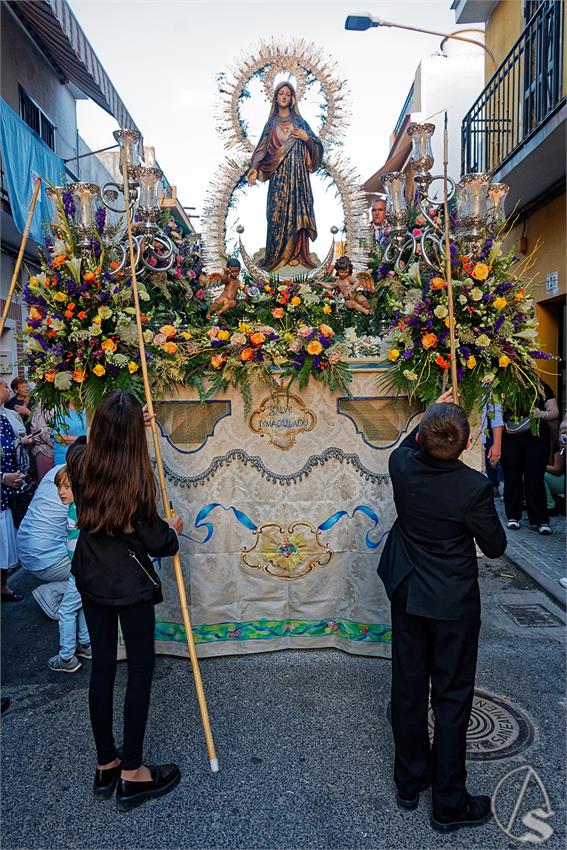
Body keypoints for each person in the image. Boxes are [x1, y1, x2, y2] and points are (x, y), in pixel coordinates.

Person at [378, 391, 506, 833]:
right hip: (451, 602)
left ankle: (409, 782)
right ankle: (448, 801)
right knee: (451, 697)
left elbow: (409, 446)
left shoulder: (402, 466)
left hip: (409, 591)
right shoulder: (474, 487)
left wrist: (432, 414)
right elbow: (495, 547)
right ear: (467, 444)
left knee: (408, 686)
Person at [68, 390, 183, 811]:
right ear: (136, 435)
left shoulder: (79, 462)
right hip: (128, 584)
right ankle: (132, 771)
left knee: (102, 666)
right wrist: (172, 528)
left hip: (92, 576)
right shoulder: (136, 479)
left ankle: (106, 763)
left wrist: (124, 423)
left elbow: (80, 444)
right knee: (139, 669)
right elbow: (160, 542)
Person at [248, 81, 323, 271]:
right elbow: (261, 149)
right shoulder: (271, 124)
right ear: (275, 97)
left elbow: (317, 145)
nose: (284, 96)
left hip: (298, 176)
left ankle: (298, 254)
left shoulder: (300, 122)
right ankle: (275, 256)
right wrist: (255, 168)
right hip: (279, 178)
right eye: (281, 93)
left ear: (292, 99)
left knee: (298, 210)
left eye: (288, 94)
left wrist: (307, 139)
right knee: (276, 214)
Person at [47, 465, 91, 673]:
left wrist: (75, 570)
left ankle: (66, 657)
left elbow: (76, 547)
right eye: (58, 487)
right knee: (79, 606)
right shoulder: (80, 508)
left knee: (66, 610)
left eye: (66, 487)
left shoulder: (76, 512)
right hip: (86, 571)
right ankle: (86, 643)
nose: (61, 492)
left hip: (80, 571)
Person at [501, 381, 559, 534]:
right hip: (511, 437)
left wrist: (542, 414)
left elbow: (555, 411)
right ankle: (513, 516)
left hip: (536, 438)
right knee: (512, 476)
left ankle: (541, 520)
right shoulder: (504, 383)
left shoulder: (541, 386)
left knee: (535, 477)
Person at [16, 462, 71, 619]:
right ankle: (53, 592)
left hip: (24, 549)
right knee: (101, 570)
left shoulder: (56, 470)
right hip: (47, 560)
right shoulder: (78, 481)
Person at [1, 378, 27, 602]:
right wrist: (3, 477)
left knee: (5, 541)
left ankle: (3, 585)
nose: (5, 388)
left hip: (7, 492)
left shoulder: (4, 416)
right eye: (2, 385)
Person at [50, 401, 86, 467]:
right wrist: (83, 439)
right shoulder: (60, 413)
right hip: (65, 457)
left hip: (85, 455)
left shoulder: (88, 411)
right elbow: (59, 437)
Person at [544, 412, 566, 514]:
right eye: (561, 431)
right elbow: (557, 469)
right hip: (562, 480)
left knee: (538, 473)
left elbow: (557, 470)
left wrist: (540, 466)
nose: (563, 433)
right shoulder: (560, 444)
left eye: (565, 431)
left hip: (563, 482)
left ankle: (550, 505)